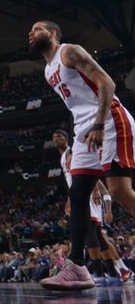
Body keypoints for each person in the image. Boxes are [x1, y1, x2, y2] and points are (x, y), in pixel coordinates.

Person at [30, 21, 135, 290]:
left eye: (38, 29)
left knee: (121, 191)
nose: (31, 33)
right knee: (77, 195)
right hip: (84, 132)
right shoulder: (47, 70)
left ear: (53, 34)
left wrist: (99, 123)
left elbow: (107, 83)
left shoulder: (69, 52)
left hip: (109, 120)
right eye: (30, 31)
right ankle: (77, 268)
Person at [52, 129, 114, 284]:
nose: (56, 139)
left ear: (66, 139)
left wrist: (92, 189)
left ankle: (100, 274)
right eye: (54, 137)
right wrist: (70, 198)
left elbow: (86, 171)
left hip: (86, 195)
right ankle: (112, 272)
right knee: (97, 235)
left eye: (60, 136)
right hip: (79, 195)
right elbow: (73, 179)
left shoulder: (70, 152)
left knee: (90, 234)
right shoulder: (63, 158)